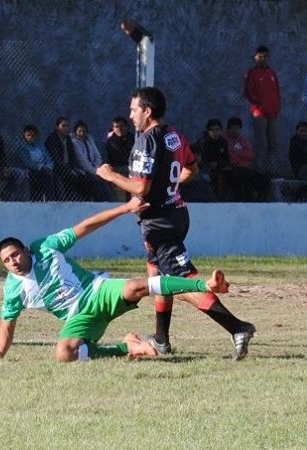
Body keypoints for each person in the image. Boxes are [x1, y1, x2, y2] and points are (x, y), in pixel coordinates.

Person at [96, 87, 256, 360]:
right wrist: (169, 186)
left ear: (147, 111)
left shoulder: (147, 141)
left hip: (159, 222)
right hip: (176, 213)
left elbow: (140, 187)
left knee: (182, 282)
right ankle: (161, 339)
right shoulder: (176, 136)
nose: (130, 114)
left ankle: (237, 327)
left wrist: (109, 174)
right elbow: (191, 169)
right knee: (157, 278)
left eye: (134, 109)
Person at [0, 197, 232, 362]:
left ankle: (205, 285)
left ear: (26, 250)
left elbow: (86, 227)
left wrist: (124, 208)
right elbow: (8, 325)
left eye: (15, 254)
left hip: (97, 292)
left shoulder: (46, 248)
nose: (13, 262)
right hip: (79, 318)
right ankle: (128, 348)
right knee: (64, 354)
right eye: (6, 260)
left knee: (138, 286)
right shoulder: (13, 289)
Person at [244, 45, 281, 173]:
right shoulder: (252, 73)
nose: (262, 59)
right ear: (255, 57)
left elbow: (277, 91)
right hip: (259, 113)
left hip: (273, 113)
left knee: (273, 142)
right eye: (259, 57)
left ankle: (271, 171)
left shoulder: (272, 73)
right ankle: (259, 171)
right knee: (261, 143)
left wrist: (276, 107)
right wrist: (258, 104)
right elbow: (248, 92)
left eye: (265, 56)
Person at [223, 116, 271, 202]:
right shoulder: (224, 140)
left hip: (245, 168)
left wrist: (238, 155)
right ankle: (241, 203)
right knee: (241, 179)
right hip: (231, 169)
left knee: (264, 179)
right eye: (232, 128)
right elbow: (231, 157)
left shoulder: (243, 140)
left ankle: (260, 203)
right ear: (228, 129)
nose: (234, 130)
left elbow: (251, 154)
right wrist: (242, 158)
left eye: (237, 128)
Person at [70, 121, 114, 201]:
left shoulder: (89, 140)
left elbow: (97, 156)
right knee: (95, 181)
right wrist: (95, 172)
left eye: (84, 131)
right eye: (79, 131)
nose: (82, 133)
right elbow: (82, 161)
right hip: (83, 171)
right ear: (75, 132)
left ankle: (110, 201)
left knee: (106, 178)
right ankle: (101, 202)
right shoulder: (74, 143)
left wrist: (97, 168)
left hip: (95, 169)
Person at [15, 124, 61, 201]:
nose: (30, 137)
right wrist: (41, 168)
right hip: (30, 170)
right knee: (46, 176)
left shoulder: (40, 146)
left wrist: (49, 167)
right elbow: (27, 163)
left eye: (32, 135)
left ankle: (56, 200)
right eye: (28, 135)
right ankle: (48, 199)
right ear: (24, 136)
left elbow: (48, 158)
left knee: (54, 176)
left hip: (44, 170)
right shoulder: (22, 147)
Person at [44, 116, 85, 200]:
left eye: (67, 126)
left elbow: (72, 157)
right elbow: (56, 160)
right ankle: (68, 200)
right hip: (56, 168)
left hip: (68, 167)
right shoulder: (52, 139)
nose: (66, 128)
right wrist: (69, 170)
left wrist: (74, 168)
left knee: (85, 176)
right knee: (71, 177)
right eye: (63, 126)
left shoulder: (68, 139)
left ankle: (83, 201)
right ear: (57, 127)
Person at [191, 118, 232, 200]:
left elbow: (227, 159)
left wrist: (218, 164)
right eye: (212, 130)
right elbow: (198, 158)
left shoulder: (223, 142)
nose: (215, 132)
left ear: (220, 130)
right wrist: (208, 164)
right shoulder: (203, 142)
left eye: (217, 129)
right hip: (203, 169)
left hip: (219, 168)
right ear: (208, 131)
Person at [104, 116, 135, 201]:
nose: (119, 129)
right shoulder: (109, 142)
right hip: (117, 172)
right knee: (120, 200)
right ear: (113, 128)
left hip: (132, 171)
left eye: (121, 126)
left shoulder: (133, 139)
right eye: (116, 127)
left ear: (126, 126)